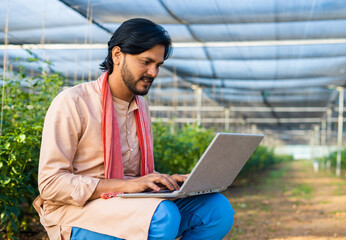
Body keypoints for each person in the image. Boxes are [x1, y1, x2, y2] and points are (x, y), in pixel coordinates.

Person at [33, 18, 234, 240]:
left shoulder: (141, 107)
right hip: (78, 210)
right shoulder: (73, 102)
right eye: (146, 62)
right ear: (117, 55)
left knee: (217, 209)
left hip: (129, 204)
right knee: (162, 217)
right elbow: (51, 184)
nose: (154, 72)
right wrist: (126, 186)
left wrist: (166, 181)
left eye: (158, 65)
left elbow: (135, 177)